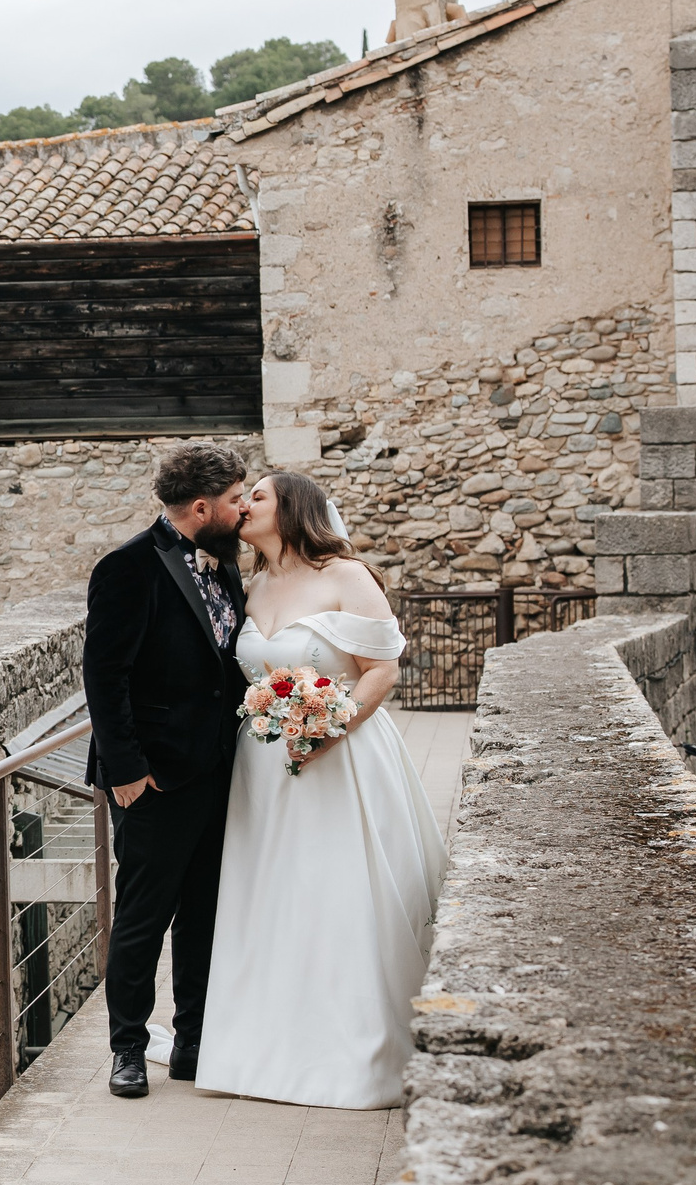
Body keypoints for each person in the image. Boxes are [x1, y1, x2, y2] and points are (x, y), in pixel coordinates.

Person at [192, 471, 450, 1109]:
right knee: (270, 899)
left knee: (336, 893)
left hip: (340, 758)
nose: (244, 505)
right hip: (261, 771)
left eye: (258, 496)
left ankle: (354, 1056)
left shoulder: (345, 575)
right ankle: (261, 1050)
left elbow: (382, 669)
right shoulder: (252, 584)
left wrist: (328, 726)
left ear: (293, 510)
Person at [82, 442, 251, 1100]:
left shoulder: (228, 563)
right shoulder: (127, 567)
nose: (242, 510)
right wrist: (125, 768)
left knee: (204, 914)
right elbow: (105, 673)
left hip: (219, 771)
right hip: (152, 778)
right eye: (236, 500)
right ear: (203, 505)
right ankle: (128, 1046)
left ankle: (193, 1043)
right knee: (142, 918)